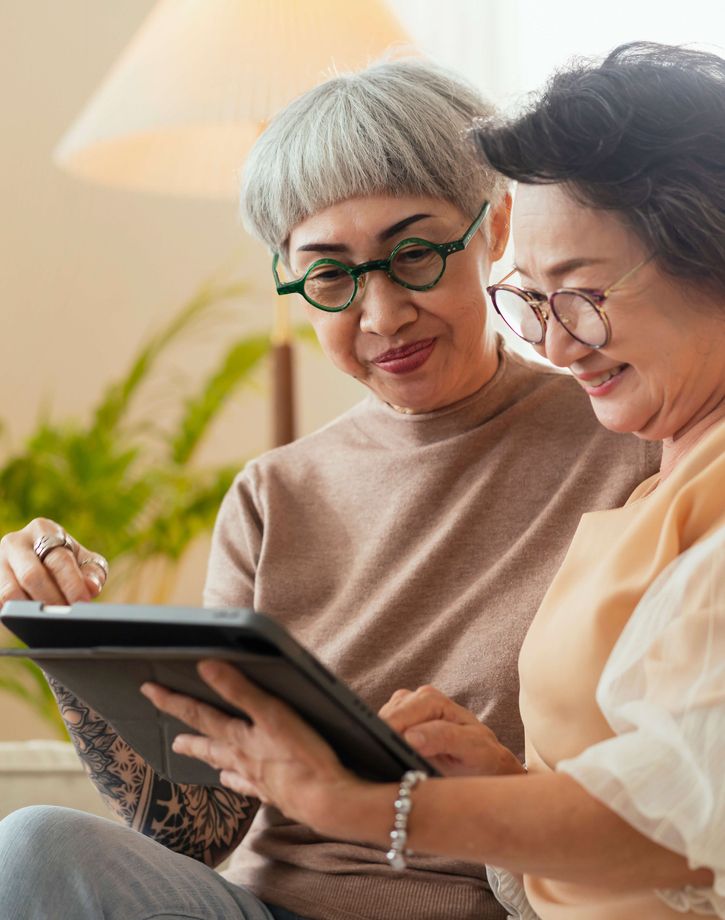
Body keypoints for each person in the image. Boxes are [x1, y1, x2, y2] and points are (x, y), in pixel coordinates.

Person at [0, 59, 657, 920]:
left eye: (413, 254)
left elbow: (658, 799)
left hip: (480, 903)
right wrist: (59, 634)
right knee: (37, 846)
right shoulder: (271, 495)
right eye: (331, 276)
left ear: (494, 226)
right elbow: (199, 829)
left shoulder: (628, 444)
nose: (381, 315)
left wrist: (501, 782)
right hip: (262, 908)